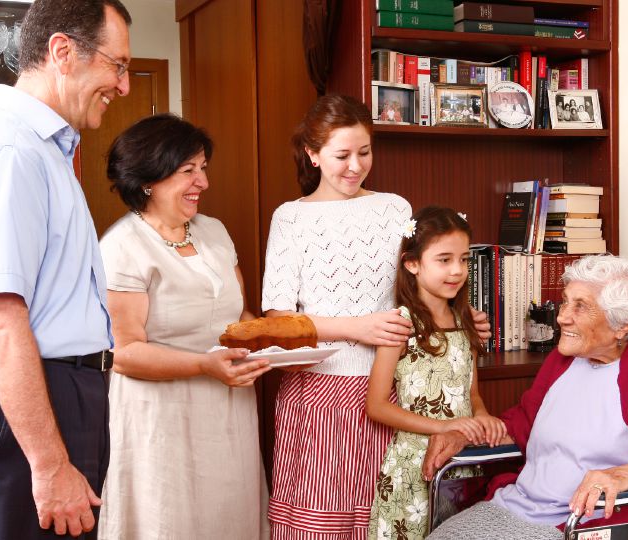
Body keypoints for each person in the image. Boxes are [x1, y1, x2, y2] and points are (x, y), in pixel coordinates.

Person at [0, 1, 132, 538]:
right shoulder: (11, 151)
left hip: (58, 392)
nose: (125, 86)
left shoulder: (45, 151)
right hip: (28, 398)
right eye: (119, 65)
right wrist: (46, 463)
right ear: (63, 52)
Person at [261, 94, 491, 538]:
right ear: (312, 154)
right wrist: (356, 328)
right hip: (320, 394)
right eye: (341, 155)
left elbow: (420, 275)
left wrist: (459, 317)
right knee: (321, 524)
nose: (355, 166)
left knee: (387, 519)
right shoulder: (291, 218)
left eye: (364, 153)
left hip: (394, 393)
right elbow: (276, 316)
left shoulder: (396, 210)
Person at [422, 256, 628, 539]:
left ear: (623, 324)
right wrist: (461, 433)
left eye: (580, 306)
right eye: (566, 301)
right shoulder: (565, 358)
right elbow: (522, 422)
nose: (563, 316)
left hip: (577, 525)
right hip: (515, 505)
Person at [96, 114, 271, 538]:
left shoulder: (214, 232)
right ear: (148, 180)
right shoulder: (122, 247)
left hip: (227, 411)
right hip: (160, 419)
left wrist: (282, 341)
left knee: (229, 519)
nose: (203, 183)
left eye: (203, 168)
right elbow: (125, 352)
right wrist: (205, 365)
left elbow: (238, 320)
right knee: (168, 520)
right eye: (188, 171)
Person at [366, 207, 507, 540]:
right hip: (414, 466)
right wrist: (444, 426)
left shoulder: (467, 323)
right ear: (413, 264)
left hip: (462, 465)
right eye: (444, 260)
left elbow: (471, 395)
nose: (457, 270)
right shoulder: (400, 325)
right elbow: (376, 406)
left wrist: (483, 418)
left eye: (463, 260)